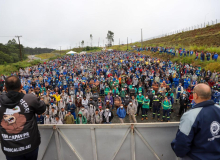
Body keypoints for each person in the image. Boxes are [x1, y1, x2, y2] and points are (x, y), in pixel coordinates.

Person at [0, 76, 46, 160]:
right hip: (30, 146)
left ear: (5, 88)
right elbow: (42, 108)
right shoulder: (30, 99)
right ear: (21, 86)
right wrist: (26, 95)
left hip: (9, 148)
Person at [171, 83, 220, 160]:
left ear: (196, 95)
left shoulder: (191, 115)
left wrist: (178, 152)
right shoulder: (218, 109)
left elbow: (182, 142)